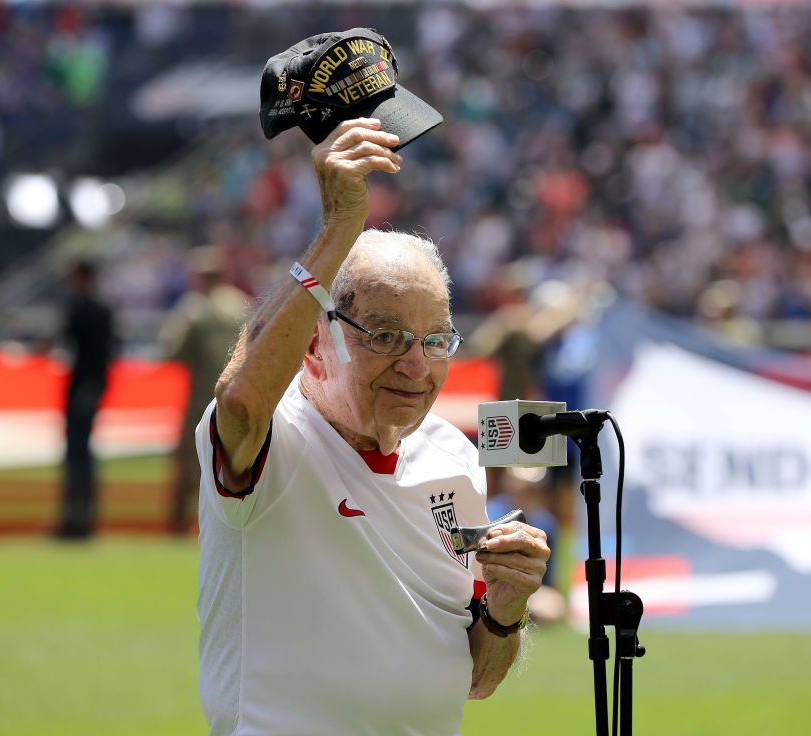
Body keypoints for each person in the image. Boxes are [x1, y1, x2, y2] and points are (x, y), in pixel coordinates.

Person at [196, 119, 550, 735]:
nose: (416, 366)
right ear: (315, 345)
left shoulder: (452, 455)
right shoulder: (273, 436)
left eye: (435, 340)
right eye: (386, 337)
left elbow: (478, 679)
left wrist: (506, 608)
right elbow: (242, 400)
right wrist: (337, 229)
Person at [157, 244, 247, 534]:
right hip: (240, 400)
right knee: (237, 463)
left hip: (201, 401)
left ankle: (180, 526)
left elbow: (171, 351)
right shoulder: (242, 306)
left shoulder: (193, 311)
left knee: (190, 462)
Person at [56, 260, 115, 540]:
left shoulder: (81, 309)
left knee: (77, 455)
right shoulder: (104, 310)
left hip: (81, 390)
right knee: (83, 455)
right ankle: (83, 516)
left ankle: (76, 519)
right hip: (92, 389)